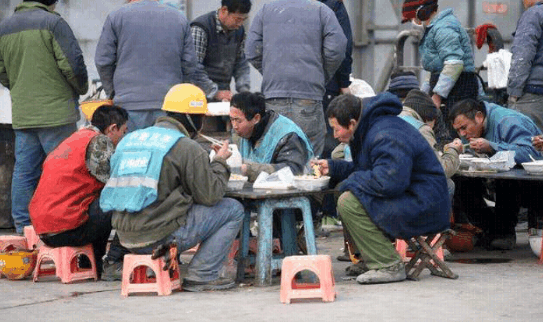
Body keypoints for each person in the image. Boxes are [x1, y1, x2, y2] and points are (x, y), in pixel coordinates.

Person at [99, 84, 245, 291]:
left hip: (123, 237)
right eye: (201, 118)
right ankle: (202, 275)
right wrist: (219, 162)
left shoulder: (129, 140)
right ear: (190, 117)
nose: (202, 124)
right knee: (232, 209)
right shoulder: (185, 146)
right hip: (156, 237)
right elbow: (210, 195)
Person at [314, 93, 450, 284]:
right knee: (347, 193)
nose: (335, 135)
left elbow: (388, 182)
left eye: (336, 129)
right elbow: (369, 171)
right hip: (410, 195)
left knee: (349, 201)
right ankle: (371, 257)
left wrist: (349, 181)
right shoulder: (372, 128)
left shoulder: (385, 134)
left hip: (425, 204)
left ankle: (388, 264)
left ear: (352, 123)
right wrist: (334, 167)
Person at [0, 0, 88, 233]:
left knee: (24, 171)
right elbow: (73, 65)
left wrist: (18, 87)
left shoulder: (5, 27)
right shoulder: (54, 23)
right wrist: (80, 88)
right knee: (63, 170)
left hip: (24, 113)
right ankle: (62, 225)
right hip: (57, 114)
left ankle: (23, 226)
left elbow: (2, 71)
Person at [28, 105, 128, 278]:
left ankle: (89, 262)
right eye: (124, 132)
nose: (124, 137)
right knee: (120, 199)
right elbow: (114, 183)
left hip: (44, 230)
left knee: (97, 202)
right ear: (113, 128)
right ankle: (111, 261)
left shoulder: (74, 139)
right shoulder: (100, 142)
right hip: (67, 228)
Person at [245, 0, 347, 157]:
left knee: (276, 157)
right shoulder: (322, 10)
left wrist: (272, 72)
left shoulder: (266, 10)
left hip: (274, 96)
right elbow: (337, 47)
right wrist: (321, 74)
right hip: (309, 96)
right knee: (309, 161)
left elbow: (252, 50)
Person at [95, 0, 217, 132]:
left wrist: (113, 92)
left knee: (131, 150)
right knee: (165, 151)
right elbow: (189, 63)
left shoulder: (116, 17)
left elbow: (103, 61)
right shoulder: (179, 18)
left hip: (128, 104)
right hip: (169, 105)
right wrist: (179, 91)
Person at [449, 98, 543, 250]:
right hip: (501, 176)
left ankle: (504, 233)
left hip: (532, 180)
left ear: (479, 117)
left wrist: (492, 147)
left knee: (506, 179)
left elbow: (532, 152)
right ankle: (489, 229)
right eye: (458, 130)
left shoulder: (507, 121)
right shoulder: (472, 130)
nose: (463, 134)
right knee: (459, 181)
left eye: (464, 128)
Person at [401, 0, 477, 147]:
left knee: (456, 134)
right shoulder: (434, 29)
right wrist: (424, 94)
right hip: (447, 87)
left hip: (458, 89)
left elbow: (454, 64)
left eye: (412, 17)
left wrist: (437, 95)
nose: (413, 22)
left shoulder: (444, 28)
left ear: (422, 11)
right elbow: (436, 68)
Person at [229, 92, 313, 182]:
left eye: (238, 121)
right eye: (231, 119)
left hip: (292, 192)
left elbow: (293, 171)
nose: (234, 126)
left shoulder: (287, 135)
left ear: (256, 118)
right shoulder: (238, 133)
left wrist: (249, 170)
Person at [191, 0, 251, 103]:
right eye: (237, 19)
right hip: (198, 96)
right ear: (224, 10)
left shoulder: (239, 32)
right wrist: (215, 92)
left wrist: (244, 90)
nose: (240, 24)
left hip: (224, 94)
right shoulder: (200, 28)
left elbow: (240, 63)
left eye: (243, 20)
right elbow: (193, 67)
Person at [399, 89, 462, 185]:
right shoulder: (421, 128)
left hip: (379, 179)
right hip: (401, 185)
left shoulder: (390, 117)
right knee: (448, 185)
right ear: (428, 118)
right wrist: (453, 150)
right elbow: (440, 170)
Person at [318, 0, 353, 159]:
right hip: (326, 85)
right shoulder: (334, 5)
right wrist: (343, 82)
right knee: (329, 145)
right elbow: (342, 46)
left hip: (288, 85)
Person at [507, 0, 543, 131]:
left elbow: (522, 55)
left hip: (533, 94)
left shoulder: (533, 14)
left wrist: (513, 93)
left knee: (528, 144)